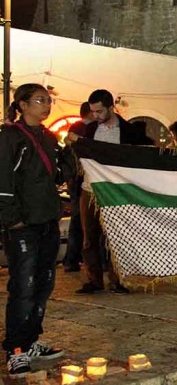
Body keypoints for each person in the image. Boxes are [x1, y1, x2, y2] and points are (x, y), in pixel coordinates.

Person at [1, 84, 67, 375]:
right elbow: (3, 180)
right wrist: (12, 219)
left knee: (44, 284)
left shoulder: (50, 138)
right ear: (23, 104)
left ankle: (30, 340)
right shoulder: (9, 137)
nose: (47, 105)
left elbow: (57, 175)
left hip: (47, 221)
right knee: (23, 286)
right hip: (23, 224)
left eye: (49, 100)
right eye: (40, 100)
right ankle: (15, 348)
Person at [71, 88, 150, 294]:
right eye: (92, 112)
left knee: (115, 237)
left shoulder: (129, 132)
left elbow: (141, 158)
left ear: (110, 107)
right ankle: (94, 279)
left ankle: (117, 280)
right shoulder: (89, 130)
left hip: (115, 193)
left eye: (99, 111)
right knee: (89, 238)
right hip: (89, 190)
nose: (95, 116)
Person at [62, 102, 93, 273]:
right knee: (80, 223)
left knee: (78, 222)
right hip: (81, 183)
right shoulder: (84, 130)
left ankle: (72, 259)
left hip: (75, 183)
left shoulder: (73, 130)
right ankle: (74, 259)